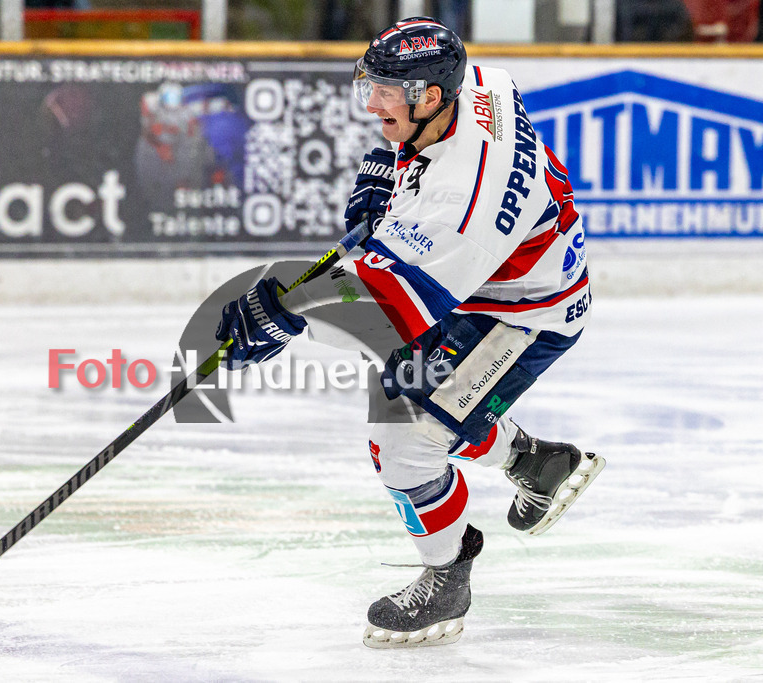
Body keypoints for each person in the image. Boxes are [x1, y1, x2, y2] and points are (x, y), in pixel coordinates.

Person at [215, 16, 605, 648]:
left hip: (522, 314)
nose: (372, 103)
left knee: (404, 439)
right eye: (370, 85)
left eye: (389, 93)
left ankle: (447, 575)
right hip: (486, 279)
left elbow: (389, 313)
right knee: (415, 399)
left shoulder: (460, 205)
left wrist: (282, 313)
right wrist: (392, 176)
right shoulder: (481, 85)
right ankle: (536, 463)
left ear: (431, 96)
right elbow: (438, 151)